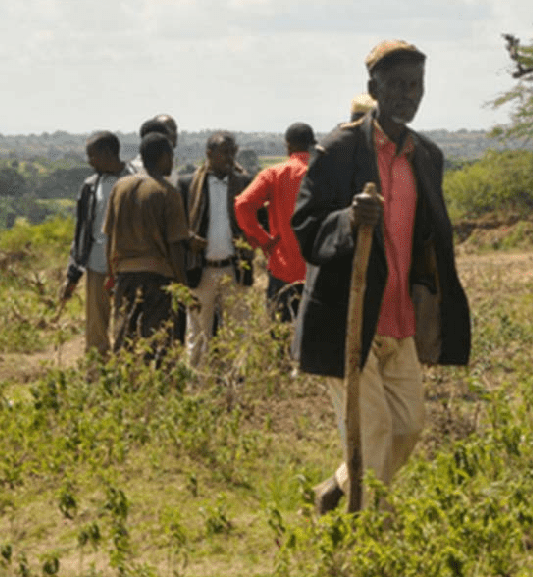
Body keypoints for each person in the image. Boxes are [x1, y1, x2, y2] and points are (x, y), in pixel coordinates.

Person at [291, 39, 471, 514]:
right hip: (350, 317)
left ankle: (338, 483)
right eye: (397, 85)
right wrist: (348, 221)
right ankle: (371, 539)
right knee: (372, 436)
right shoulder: (338, 150)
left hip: (400, 318)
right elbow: (306, 231)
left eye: (416, 86)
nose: (408, 95)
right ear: (374, 88)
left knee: (408, 427)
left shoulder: (425, 156)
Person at [104, 132, 190, 363]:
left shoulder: (120, 187)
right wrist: (182, 285)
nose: (172, 164)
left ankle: (122, 384)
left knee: (124, 336)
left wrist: (111, 275)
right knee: (158, 339)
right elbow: (175, 246)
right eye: (171, 158)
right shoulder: (168, 193)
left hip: (125, 274)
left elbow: (109, 236)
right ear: (163, 157)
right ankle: (156, 388)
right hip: (157, 277)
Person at [178, 131, 253, 368]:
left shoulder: (243, 184)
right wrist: (189, 238)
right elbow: (176, 225)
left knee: (237, 332)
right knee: (199, 335)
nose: (230, 158)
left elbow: (258, 220)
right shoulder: (188, 184)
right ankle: (196, 390)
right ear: (209, 154)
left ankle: (234, 388)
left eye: (233, 152)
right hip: (201, 271)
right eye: (225, 153)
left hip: (234, 269)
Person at [60, 131, 135, 356]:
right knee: (96, 329)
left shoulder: (134, 180)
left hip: (126, 266)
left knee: (126, 322)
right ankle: (96, 373)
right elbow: (82, 230)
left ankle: (125, 371)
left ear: (108, 153)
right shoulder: (90, 186)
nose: (89, 161)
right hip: (96, 265)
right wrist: (73, 272)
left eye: (92, 155)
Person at [234, 122, 315, 322]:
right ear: (313, 144)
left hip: (283, 268)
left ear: (287, 145)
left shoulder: (274, 174)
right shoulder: (326, 173)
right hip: (320, 272)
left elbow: (242, 205)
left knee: (280, 337)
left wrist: (263, 239)